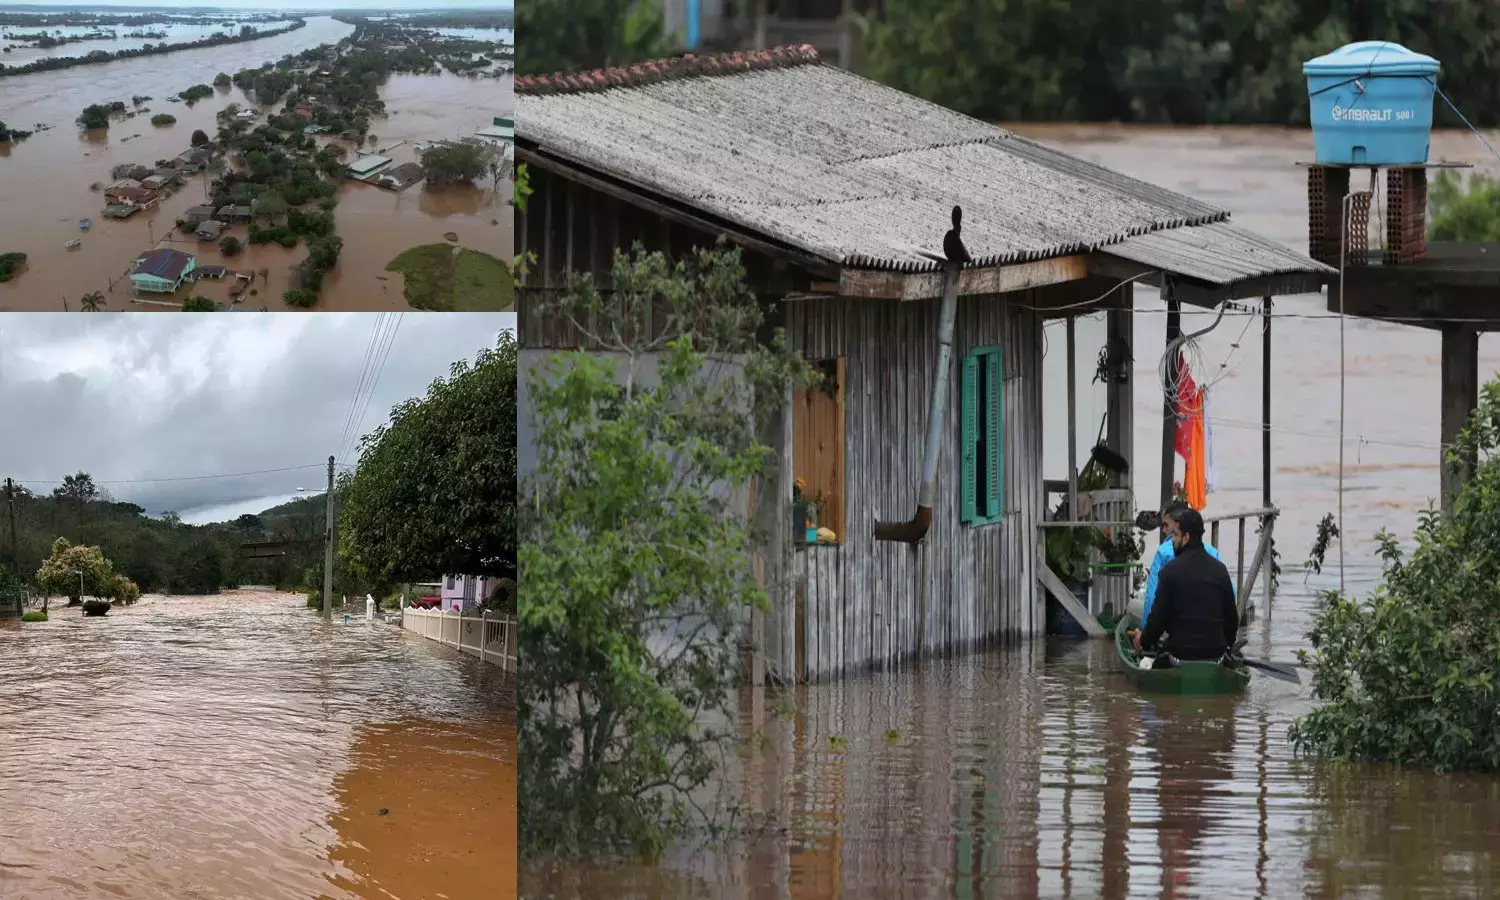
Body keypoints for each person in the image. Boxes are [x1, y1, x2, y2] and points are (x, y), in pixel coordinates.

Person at [1132, 508, 1239, 661]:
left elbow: (1157, 619)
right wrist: (1227, 646)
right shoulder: (1220, 570)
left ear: (1186, 537)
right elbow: (1232, 619)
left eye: (1175, 535)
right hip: (1215, 653)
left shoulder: (1169, 572)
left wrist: (1143, 641)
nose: (1173, 540)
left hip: (1179, 653)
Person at [1140, 501, 1230, 630]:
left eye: (1166, 525)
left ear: (1178, 526)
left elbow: (1151, 597)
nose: (1164, 530)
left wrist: (1144, 632)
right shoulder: (1213, 555)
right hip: (1213, 632)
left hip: (1176, 633)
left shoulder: (1163, 554)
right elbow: (1229, 598)